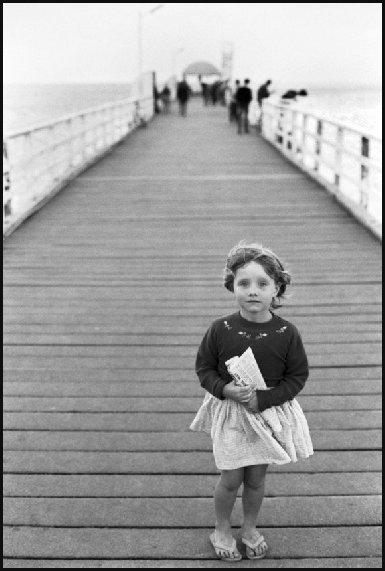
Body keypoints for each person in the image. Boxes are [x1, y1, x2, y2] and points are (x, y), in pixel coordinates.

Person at [190, 241, 313, 562]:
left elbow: (296, 376)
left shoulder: (287, 332)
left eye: (263, 284)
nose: (253, 291)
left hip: (266, 413)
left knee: (257, 477)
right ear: (232, 286)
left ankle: (249, 527)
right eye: (244, 283)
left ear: (277, 288)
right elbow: (204, 368)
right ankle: (220, 528)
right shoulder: (221, 329)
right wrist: (225, 389)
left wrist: (266, 398)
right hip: (231, 413)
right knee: (231, 476)